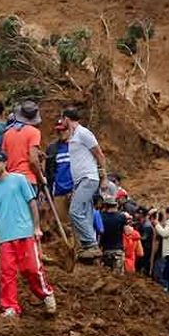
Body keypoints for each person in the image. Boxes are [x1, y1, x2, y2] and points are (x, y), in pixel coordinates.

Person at [0, 153, 55, 317]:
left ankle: (46, 294)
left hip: (24, 232)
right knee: (7, 273)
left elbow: (32, 203)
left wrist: (36, 227)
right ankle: (10, 306)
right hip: (5, 236)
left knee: (31, 269)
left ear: (5, 163)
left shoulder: (19, 180)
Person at [62, 108, 108, 260]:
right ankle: (88, 248)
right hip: (80, 180)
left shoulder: (83, 133)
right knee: (86, 214)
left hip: (89, 178)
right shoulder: (74, 135)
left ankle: (91, 244)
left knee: (74, 211)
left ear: (66, 119)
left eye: (63, 119)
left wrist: (104, 177)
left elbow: (99, 154)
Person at [99, 198, 127, 273]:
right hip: (118, 250)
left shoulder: (101, 217)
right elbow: (126, 232)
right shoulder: (121, 217)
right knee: (118, 277)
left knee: (106, 276)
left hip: (105, 250)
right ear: (115, 205)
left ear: (105, 206)